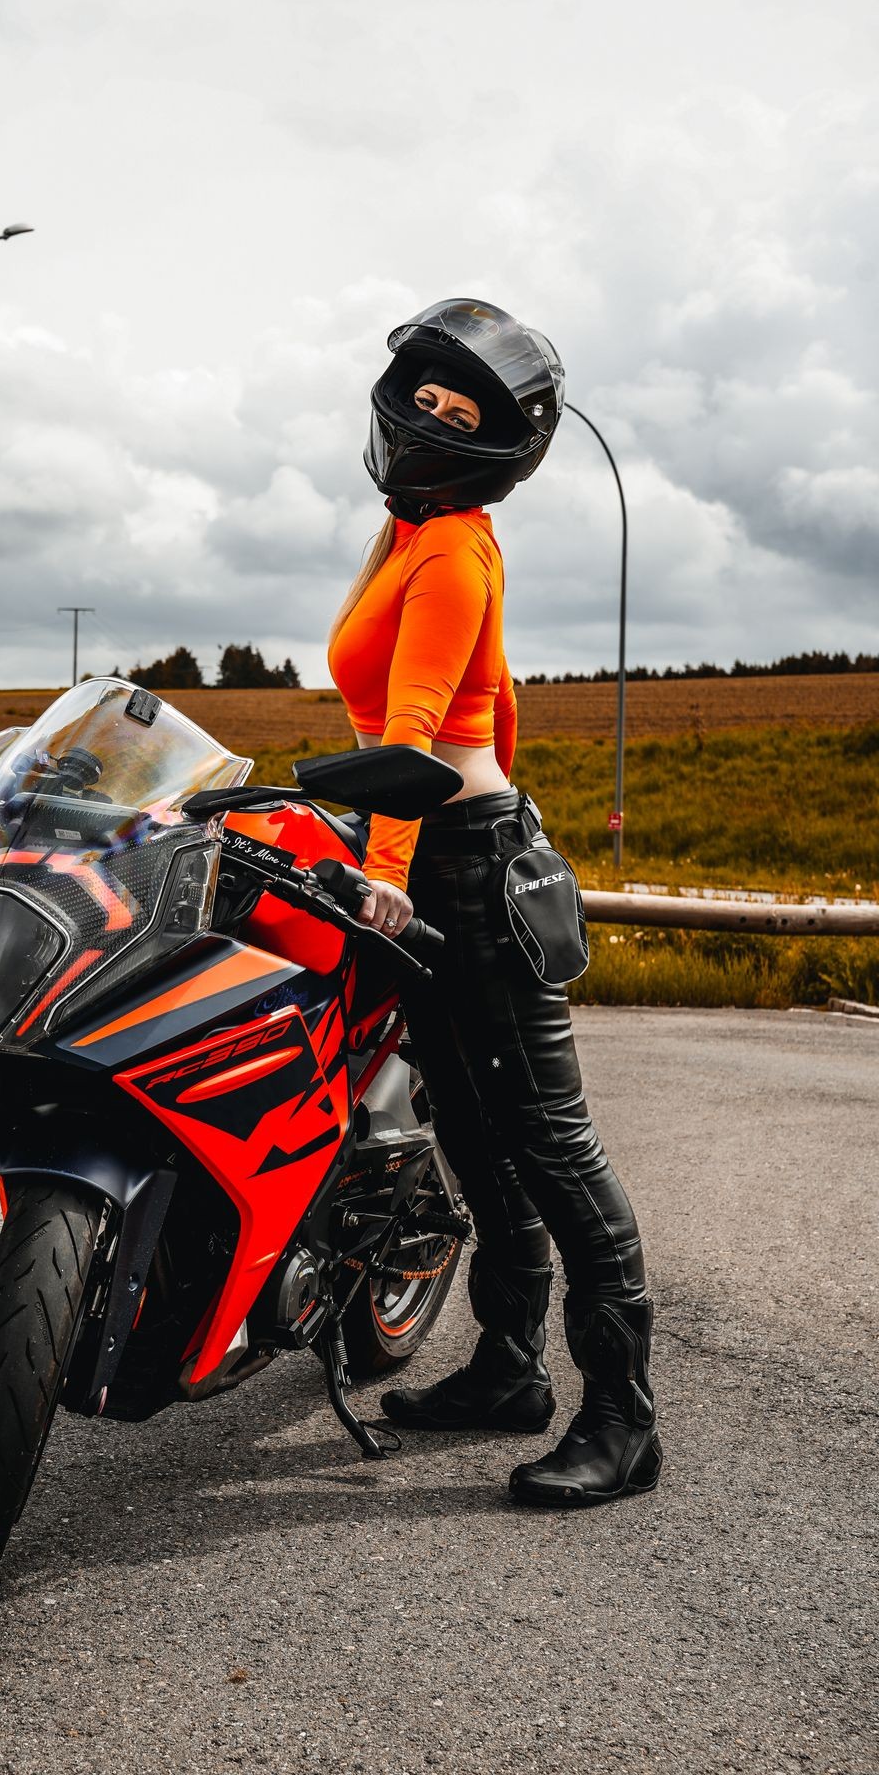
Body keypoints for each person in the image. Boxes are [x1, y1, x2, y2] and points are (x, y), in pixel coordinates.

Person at [326, 298, 661, 1506]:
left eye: (456, 411)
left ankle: (622, 1421)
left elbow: (415, 736)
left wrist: (393, 864)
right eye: (423, 395)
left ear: (494, 445)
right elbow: (490, 701)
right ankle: (508, 1369)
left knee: (551, 1146)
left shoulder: (456, 543)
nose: (425, 418)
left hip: (456, 854)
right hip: (443, 840)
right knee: (469, 1130)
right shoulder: (408, 532)